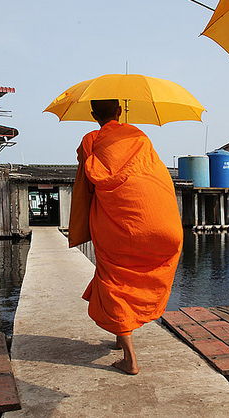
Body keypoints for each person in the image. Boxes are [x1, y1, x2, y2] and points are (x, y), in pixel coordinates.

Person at [68, 99, 183, 375]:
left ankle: (130, 359)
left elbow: (88, 183)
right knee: (127, 275)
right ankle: (121, 338)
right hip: (156, 220)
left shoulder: (90, 141)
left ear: (93, 114)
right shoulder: (139, 137)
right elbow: (155, 175)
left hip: (117, 222)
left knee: (114, 278)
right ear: (119, 111)